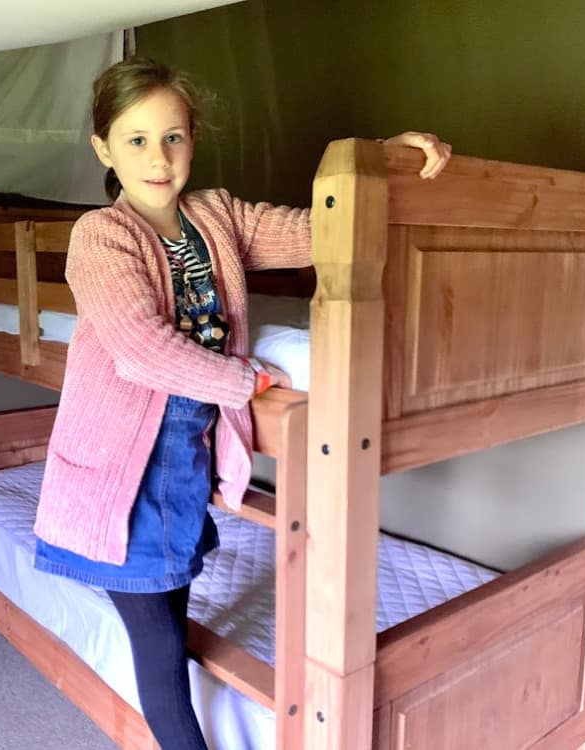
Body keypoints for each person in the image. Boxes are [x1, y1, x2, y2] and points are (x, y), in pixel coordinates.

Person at [31, 56, 451, 749]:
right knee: (161, 650)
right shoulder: (102, 237)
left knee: (171, 605)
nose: (159, 157)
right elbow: (141, 349)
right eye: (136, 140)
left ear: (193, 139)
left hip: (182, 460)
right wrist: (245, 380)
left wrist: (384, 167)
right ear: (104, 147)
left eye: (173, 137)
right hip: (119, 474)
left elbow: (322, 228)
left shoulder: (216, 216)